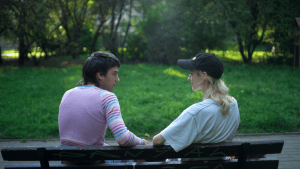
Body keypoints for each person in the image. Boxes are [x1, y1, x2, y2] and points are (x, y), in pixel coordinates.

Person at [58, 51, 147, 164]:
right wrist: (142, 142)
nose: (117, 79)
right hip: (92, 163)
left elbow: (78, 140)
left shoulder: (67, 94)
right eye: (114, 74)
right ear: (100, 75)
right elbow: (123, 138)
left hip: (68, 163)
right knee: (139, 157)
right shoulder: (107, 97)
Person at [152, 53, 240, 157]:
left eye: (191, 73)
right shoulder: (233, 104)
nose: (188, 78)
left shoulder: (196, 112)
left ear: (204, 76)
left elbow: (156, 141)